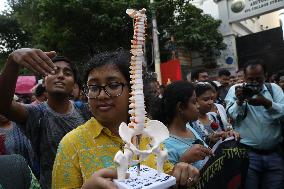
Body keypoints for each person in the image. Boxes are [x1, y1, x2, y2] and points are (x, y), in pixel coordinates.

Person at [52, 49, 199, 188]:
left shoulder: (149, 131)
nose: (102, 95)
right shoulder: (71, 144)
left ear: (134, 90)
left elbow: (164, 174)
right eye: (94, 87)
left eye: (113, 85)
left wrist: (180, 173)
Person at [0, 48, 91, 189]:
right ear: (43, 82)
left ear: (74, 84)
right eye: (54, 71)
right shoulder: (35, 114)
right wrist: (13, 62)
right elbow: (3, 105)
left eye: (67, 73)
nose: (61, 76)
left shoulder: (86, 110)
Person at [150, 81, 248, 189]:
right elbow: (168, 183)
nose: (198, 106)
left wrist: (215, 140)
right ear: (181, 107)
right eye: (194, 102)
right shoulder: (164, 145)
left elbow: (203, 157)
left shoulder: (188, 127)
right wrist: (184, 160)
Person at [225, 59, 284, 189]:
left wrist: (267, 103)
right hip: (247, 155)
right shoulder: (236, 90)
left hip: (274, 153)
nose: (254, 82)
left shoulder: (274, 89)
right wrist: (239, 101)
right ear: (245, 77)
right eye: (251, 79)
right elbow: (230, 115)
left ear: (266, 76)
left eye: (258, 79)